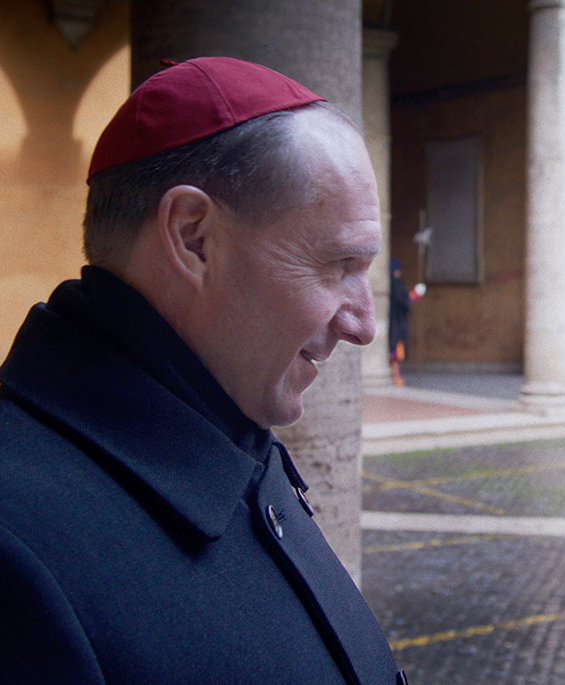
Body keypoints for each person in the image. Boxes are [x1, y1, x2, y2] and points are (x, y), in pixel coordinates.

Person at [0, 57, 407, 685]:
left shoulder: (228, 423)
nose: (363, 325)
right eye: (337, 264)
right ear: (193, 238)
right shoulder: (15, 552)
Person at [388, 257, 424, 386]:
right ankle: (395, 376)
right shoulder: (396, 283)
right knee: (396, 350)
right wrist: (416, 295)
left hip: (394, 320)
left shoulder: (391, 283)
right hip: (397, 321)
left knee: (396, 349)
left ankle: (396, 376)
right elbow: (405, 302)